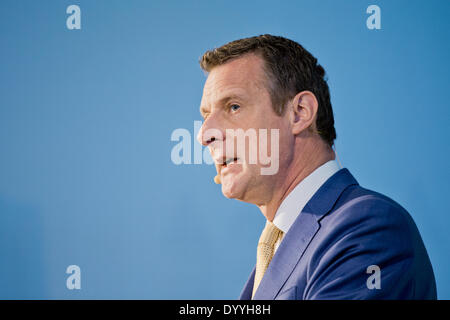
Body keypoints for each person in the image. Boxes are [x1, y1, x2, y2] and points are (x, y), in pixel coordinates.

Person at [196, 34, 436, 299]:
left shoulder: (369, 228)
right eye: (206, 115)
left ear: (299, 112)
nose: (205, 134)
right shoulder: (277, 248)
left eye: (233, 106)